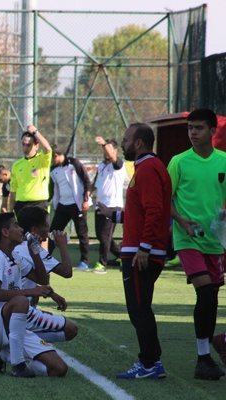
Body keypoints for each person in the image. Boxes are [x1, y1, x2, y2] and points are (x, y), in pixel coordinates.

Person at [97, 122, 170, 379]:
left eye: (126, 140)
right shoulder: (147, 167)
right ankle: (152, 362)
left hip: (140, 252)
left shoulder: (148, 168)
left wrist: (144, 248)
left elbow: (154, 211)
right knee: (140, 307)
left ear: (138, 143)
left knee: (139, 309)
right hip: (141, 249)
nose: (122, 144)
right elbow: (142, 212)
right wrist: (114, 215)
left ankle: (149, 363)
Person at [168, 108, 226, 380]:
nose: (192, 132)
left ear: (213, 131)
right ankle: (203, 357)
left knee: (211, 295)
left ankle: (210, 351)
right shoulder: (179, 162)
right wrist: (182, 221)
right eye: (190, 127)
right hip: (187, 239)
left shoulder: (223, 161)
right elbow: (164, 199)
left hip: (214, 240)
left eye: (199, 127)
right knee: (205, 291)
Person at [0, 212, 71, 378]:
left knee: (59, 369)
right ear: (5, 232)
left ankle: (3, 354)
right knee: (21, 301)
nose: (21, 229)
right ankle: (17, 365)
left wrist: (34, 251)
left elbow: (42, 279)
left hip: (18, 317)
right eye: (16, 226)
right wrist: (31, 291)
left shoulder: (15, 256)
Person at [49, 145, 93, 271]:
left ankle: (84, 262)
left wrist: (86, 200)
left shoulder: (75, 164)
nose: (50, 161)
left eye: (51, 158)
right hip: (62, 206)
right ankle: (46, 257)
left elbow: (87, 181)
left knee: (82, 234)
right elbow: (52, 190)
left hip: (77, 206)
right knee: (52, 233)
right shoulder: (53, 169)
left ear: (56, 156)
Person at [91, 137, 127, 274]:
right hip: (100, 205)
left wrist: (104, 144)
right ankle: (122, 256)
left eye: (108, 149)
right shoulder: (102, 165)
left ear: (115, 150)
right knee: (101, 236)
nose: (105, 151)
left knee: (105, 236)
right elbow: (97, 182)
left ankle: (102, 264)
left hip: (112, 206)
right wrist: (89, 191)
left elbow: (112, 157)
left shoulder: (118, 164)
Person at [9, 125, 53, 215]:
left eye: (29, 145)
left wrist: (35, 132)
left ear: (36, 146)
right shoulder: (17, 165)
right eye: (23, 144)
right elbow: (13, 190)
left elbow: (47, 148)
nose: (25, 148)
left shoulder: (42, 160)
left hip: (39, 205)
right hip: (21, 206)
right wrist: (10, 212)